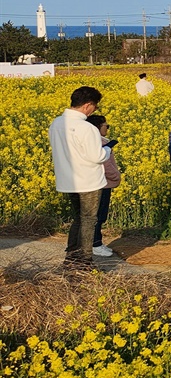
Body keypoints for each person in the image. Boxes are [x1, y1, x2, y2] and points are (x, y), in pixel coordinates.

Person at [48, 86, 113, 266]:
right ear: (87, 105)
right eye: (95, 107)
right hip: (88, 181)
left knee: (79, 218)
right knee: (89, 220)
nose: (94, 110)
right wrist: (106, 150)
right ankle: (84, 261)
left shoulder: (56, 123)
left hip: (67, 180)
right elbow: (97, 156)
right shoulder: (86, 128)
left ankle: (71, 258)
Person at [85, 114, 121, 258]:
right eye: (106, 125)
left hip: (96, 182)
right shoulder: (100, 144)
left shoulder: (92, 142)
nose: (107, 128)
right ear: (98, 127)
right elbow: (105, 164)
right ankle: (95, 244)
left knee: (96, 215)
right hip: (102, 183)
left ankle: (95, 242)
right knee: (99, 215)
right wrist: (116, 177)